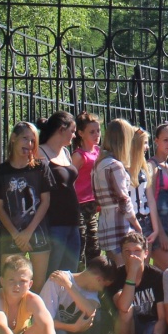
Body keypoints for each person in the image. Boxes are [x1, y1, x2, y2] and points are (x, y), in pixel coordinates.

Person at [41, 257, 124, 334]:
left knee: (103, 318)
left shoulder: (89, 291)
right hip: (51, 330)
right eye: (103, 286)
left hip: (75, 331)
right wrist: (72, 328)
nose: (102, 291)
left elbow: (91, 312)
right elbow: (43, 322)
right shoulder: (57, 279)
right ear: (99, 279)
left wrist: (69, 286)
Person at [0, 122, 53, 290]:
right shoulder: (1, 171)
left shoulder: (41, 168)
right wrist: (16, 234)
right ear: (13, 139)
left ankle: (34, 316)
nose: (29, 144)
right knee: (11, 286)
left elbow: (45, 201)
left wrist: (28, 232)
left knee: (38, 286)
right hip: (11, 235)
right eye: (25, 139)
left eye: (33, 141)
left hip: (38, 232)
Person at [109, 231, 168, 334]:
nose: (132, 255)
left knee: (151, 329)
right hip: (126, 329)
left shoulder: (156, 276)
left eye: (137, 251)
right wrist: (132, 273)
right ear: (121, 254)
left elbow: (162, 317)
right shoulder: (116, 276)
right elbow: (122, 306)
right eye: (127, 251)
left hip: (151, 327)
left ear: (146, 253)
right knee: (126, 311)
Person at [37, 111, 84, 276]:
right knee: (52, 272)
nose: (74, 135)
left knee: (69, 273)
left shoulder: (65, 152)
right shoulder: (40, 152)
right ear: (61, 129)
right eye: (72, 131)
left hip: (72, 221)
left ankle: (65, 303)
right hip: (54, 222)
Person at [92, 118, 140, 263]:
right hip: (120, 225)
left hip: (106, 223)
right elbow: (123, 199)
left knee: (115, 269)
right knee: (125, 269)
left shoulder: (99, 163)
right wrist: (137, 225)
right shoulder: (115, 165)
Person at [147, 122, 168, 271]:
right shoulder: (152, 166)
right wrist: (160, 234)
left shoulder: (167, 166)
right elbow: (151, 201)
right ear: (156, 141)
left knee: (162, 275)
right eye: (165, 140)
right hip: (156, 226)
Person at [73, 111, 103, 264]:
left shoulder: (99, 152)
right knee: (81, 238)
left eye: (98, 130)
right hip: (79, 203)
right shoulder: (79, 155)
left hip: (93, 202)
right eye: (92, 132)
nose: (96, 134)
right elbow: (70, 179)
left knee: (94, 239)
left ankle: (95, 273)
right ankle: (78, 271)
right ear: (81, 133)